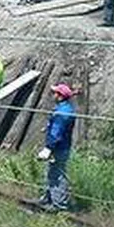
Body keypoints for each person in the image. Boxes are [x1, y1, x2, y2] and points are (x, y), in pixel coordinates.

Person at [37, 82, 77, 212]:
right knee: (52, 172)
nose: (53, 95)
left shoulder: (61, 113)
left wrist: (49, 147)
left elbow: (56, 132)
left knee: (57, 174)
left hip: (58, 148)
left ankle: (59, 204)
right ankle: (49, 198)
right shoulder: (65, 109)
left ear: (60, 96)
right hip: (62, 146)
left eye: (55, 93)